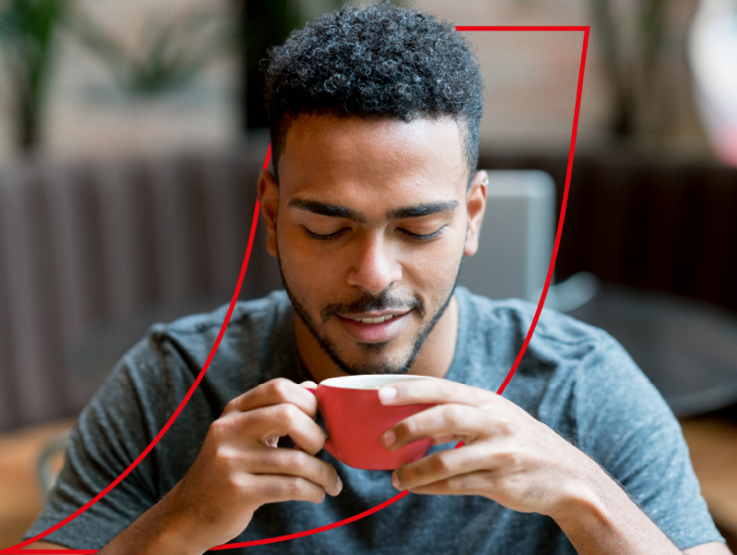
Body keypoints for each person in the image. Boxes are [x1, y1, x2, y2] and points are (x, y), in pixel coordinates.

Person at [23, 3, 731, 554]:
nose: (373, 273)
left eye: (418, 229)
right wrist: (180, 521)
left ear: (473, 214)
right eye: (327, 227)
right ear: (269, 214)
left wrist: (582, 494)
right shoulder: (172, 382)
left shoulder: (580, 388)